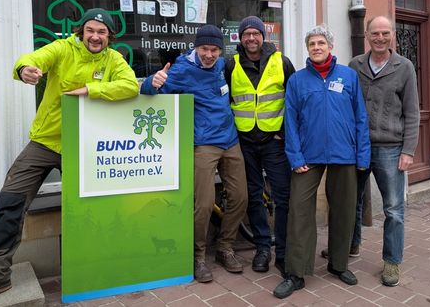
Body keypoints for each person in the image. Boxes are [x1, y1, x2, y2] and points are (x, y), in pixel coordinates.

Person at [0, 9, 139, 307]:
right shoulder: (63, 48)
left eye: (102, 32)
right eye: (90, 30)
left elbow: (130, 86)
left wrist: (90, 90)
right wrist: (25, 70)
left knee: (95, 208)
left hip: (84, 144)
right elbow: (32, 59)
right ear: (81, 31)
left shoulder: (114, 59)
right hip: (46, 141)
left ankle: (101, 266)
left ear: (109, 37)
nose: (95, 36)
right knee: (10, 201)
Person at [140, 24, 247, 283]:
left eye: (214, 50)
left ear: (220, 51)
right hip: (204, 144)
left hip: (230, 140)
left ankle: (225, 248)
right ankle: (198, 256)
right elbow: (150, 90)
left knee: (240, 197)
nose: (209, 55)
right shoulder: (182, 70)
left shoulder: (222, 66)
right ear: (196, 48)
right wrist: (151, 82)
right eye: (204, 49)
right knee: (204, 204)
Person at [273, 25, 370, 299]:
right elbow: (290, 121)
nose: (316, 47)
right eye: (312, 44)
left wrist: (362, 155)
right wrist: (295, 157)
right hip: (307, 155)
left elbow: (361, 117)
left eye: (321, 43)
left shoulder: (348, 77)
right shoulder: (298, 80)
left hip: (344, 153)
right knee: (299, 210)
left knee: (344, 210)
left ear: (330, 46)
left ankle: (339, 264)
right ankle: (296, 272)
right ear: (307, 49)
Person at [348, 15, 420, 287]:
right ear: (367, 35)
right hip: (358, 147)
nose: (380, 38)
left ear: (393, 35)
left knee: (393, 208)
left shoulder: (404, 67)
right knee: (351, 201)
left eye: (385, 33)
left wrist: (408, 150)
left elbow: (412, 112)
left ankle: (392, 261)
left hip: (390, 148)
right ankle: (350, 245)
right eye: (375, 33)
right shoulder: (355, 65)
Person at [224, 16, 295, 275]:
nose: (251, 38)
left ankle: (284, 251)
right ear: (240, 38)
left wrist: (284, 134)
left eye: (256, 33)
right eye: (247, 34)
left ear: (263, 37)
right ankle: (263, 248)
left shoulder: (281, 62)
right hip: (244, 142)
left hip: (274, 142)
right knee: (253, 197)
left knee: (283, 197)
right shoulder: (230, 64)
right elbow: (224, 99)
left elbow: (293, 100)